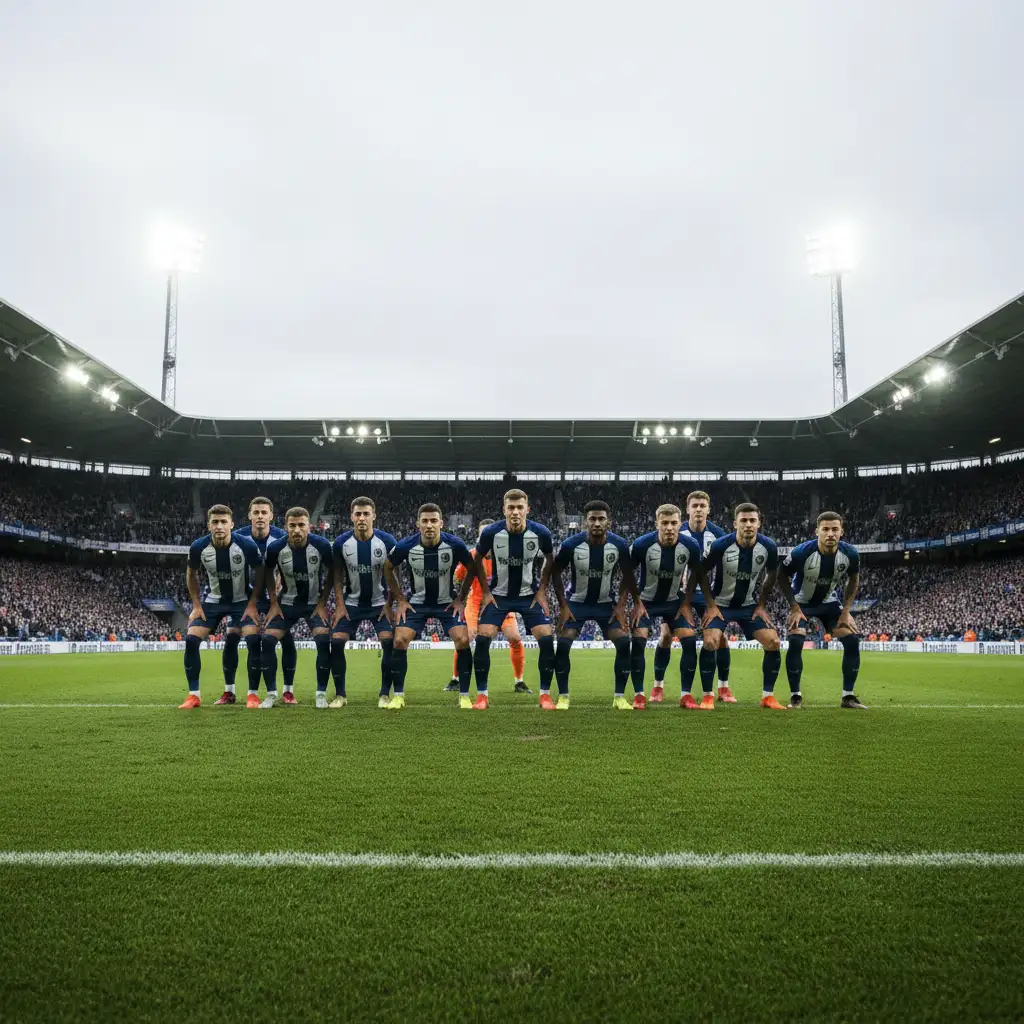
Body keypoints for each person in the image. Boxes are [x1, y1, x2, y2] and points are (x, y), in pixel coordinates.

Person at [548, 500, 646, 710]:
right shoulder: (571, 545)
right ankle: (563, 696)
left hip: (606, 605)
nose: (597, 523)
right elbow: (555, 572)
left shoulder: (619, 545)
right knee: (563, 645)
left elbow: (628, 577)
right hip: (576, 603)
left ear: (608, 521)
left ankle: (619, 697)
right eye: (592, 519)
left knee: (623, 643)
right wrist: (563, 606)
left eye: (601, 519)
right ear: (585, 522)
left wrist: (621, 606)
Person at [463, 490, 557, 709]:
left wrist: (542, 589)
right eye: (511, 508)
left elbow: (550, 559)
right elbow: (477, 559)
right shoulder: (491, 533)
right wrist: (486, 592)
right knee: (483, 639)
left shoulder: (540, 533)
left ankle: (544, 694)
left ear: (527, 509)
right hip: (498, 597)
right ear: (504, 509)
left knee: (545, 639)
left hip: (528, 596)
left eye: (519, 507)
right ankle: (482, 695)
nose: (515, 512)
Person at [695, 503, 786, 710]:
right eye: (743, 520)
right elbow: (700, 572)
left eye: (752, 520)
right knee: (710, 642)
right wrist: (710, 605)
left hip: (748, 606)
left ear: (759, 523)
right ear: (735, 523)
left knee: (773, 642)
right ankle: (708, 696)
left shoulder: (769, 547)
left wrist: (762, 604)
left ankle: (768, 697)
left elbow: (772, 575)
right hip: (720, 605)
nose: (748, 525)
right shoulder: (720, 545)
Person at [384, 504, 475, 709]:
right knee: (399, 640)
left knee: (462, 639)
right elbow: (388, 567)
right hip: (417, 603)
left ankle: (464, 695)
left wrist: (461, 598)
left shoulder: (454, 544)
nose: (429, 525)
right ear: (418, 524)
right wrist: (400, 599)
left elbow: (472, 567)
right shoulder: (406, 546)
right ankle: (398, 696)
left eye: (434, 521)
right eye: (424, 521)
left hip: (446, 603)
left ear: (441, 523)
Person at [777, 511, 866, 709]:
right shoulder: (802, 552)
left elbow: (854, 579)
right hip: (801, 604)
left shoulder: (850, 554)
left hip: (829, 603)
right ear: (817, 531)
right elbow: (781, 575)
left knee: (851, 640)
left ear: (842, 531)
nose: (830, 534)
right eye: (825, 529)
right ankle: (796, 696)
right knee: (796, 640)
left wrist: (846, 611)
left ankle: (848, 697)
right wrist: (793, 607)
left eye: (835, 529)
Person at [652, 490, 735, 703]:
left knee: (720, 639)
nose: (698, 509)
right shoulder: (677, 533)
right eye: (694, 506)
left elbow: (727, 567)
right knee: (666, 637)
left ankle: (723, 688)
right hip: (679, 596)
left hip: (710, 596)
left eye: (702, 506)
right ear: (687, 510)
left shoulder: (719, 535)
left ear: (708, 509)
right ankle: (657, 687)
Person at [179, 504, 265, 708]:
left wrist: (253, 604)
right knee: (191, 640)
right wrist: (196, 606)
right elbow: (191, 574)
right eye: (215, 522)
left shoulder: (246, 545)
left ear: (231, 524)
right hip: (214, 600)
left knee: (252, 640)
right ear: (209, 525)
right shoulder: (198, 546)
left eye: (223, 522)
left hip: (242, 601)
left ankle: (252, 694)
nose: (219, 526)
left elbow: (261, 573)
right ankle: (194, 695)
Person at [630, 503, 712, 707]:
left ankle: (686, 695)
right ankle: (642, 694)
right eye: (664, 523)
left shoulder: (690, 545)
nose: (669, 527)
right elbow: (626, 574)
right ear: (656, 523)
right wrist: (635, 603)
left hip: (674, 601)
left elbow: (697, 574)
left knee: (689, 639)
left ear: (679, 523)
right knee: (639, 641)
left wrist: (686, 603)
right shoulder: (642, 544)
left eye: (674, 523)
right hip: (646, 602)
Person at [445, 517, 531, 695]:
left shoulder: (506, 554)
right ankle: (455, 678)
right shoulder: (472, 555)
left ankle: (519, 681)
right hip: (475, 601)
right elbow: (457, 577)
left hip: (500, 601)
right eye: (482, 533)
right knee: (465, 639)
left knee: (514, 637)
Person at [261, 508, 334, 707]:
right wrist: (274, 602)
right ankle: (272, 694)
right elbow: (267, 573)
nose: (297, 530)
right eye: (292, 526)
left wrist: (322, 603)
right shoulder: (276, 547)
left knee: (322, 641)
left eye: (301, 525)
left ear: (308, 526)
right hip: (286, 604)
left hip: (313, 605)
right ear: (286, 527)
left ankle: (320, 693)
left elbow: (333, 573)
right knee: (267, 641)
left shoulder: (322, 545)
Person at [331, 496, 398, 709]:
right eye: (358, 514)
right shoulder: (341, 543)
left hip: (380, 604)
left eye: (366, 514)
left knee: (389, 643)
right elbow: (337, 576)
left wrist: (390, 604)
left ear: (374, 516)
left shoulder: (387, 542)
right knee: (337, 642)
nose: (362, 518)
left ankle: (384, 694)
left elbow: (396, 576)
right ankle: (340, 695)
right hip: (351, 604)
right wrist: (340, 605)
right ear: (351, 516)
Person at [233, 497, 290, 708]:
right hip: (246, 598)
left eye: (263, 512)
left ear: (270, 516)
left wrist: (280, 581)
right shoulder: (238, 537)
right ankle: (238, 692)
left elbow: (290, 565)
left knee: (286, 639)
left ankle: (288, 691)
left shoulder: (281, 537)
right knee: (240, 638)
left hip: (277, 597)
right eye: (255, 512)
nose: (259, 516)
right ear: (249, 515)